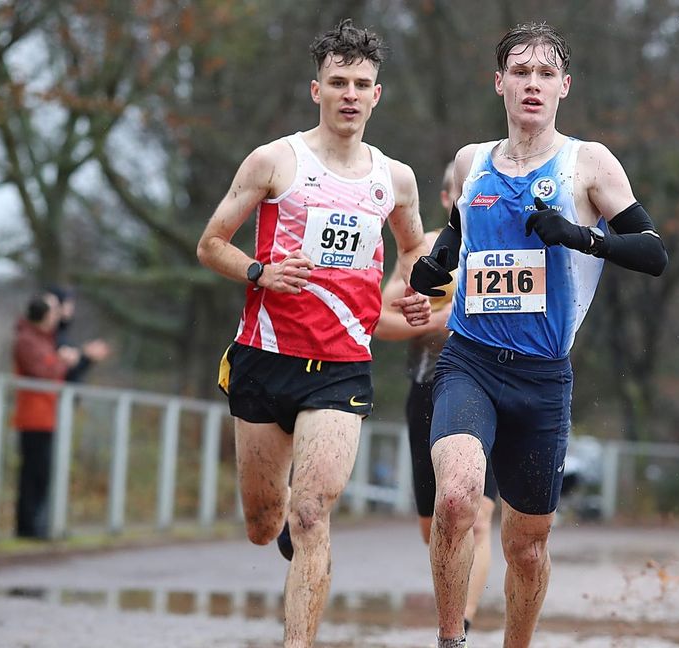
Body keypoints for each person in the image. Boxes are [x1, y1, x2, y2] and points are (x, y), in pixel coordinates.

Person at [408, 22, 668, 648]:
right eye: (520, 72)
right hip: (467, 359)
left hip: (541, 375)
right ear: (499, 83)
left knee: (526, 546)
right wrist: (439, 259)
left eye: (545, 74)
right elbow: (460, 224)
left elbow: (653, 252)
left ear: (564, 87)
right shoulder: (472, 161)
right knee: (457, 498)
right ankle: (450, 638)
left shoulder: (589, 163)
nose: (532, 84)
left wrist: (581, 236)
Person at [194, 19, 431, 648]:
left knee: (311, 512)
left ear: (377, 95)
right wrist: (260, 271)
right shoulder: (276, 161)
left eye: (362, 84)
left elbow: (414, 249)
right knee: (264, 520)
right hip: (264, 358)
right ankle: (287, 543)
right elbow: (210, 243)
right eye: (338, 82)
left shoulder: (395, 179)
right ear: (316, 89)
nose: (350, 94)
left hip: (342, 365)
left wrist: (400, 301)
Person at [374, 162, 499, 635]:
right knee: (437, 526)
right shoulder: (425, 251)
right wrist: (440, 321)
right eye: (462, 194)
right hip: (429, 392)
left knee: (480, 519)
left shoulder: (507, 245)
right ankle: (454, 608)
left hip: (492, 391)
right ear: (448, 200)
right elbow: (378, 320)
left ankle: (459, 625)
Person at [11, 293, 81, 538]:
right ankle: (29, 528)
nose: (57, 318)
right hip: (34, 416)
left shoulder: (42, 339)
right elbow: (42, 371)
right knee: (34, 474)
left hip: (47, 415)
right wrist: (63, 361)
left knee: (42, 474)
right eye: (52, 313)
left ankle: (38, 525)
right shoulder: (27, 340)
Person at [44, 285, 110, 383]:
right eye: (68, 304)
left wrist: (86, 357)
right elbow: (60, 368)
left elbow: (72, 369)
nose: (71, 309)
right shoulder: (50, 332)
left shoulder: (62, 330)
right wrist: (85, 356)